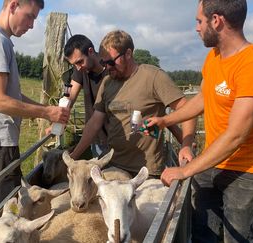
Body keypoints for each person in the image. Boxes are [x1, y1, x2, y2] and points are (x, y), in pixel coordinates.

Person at [147, 0, 253, 242]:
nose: (197, 28)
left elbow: (236, 135)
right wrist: (165, 120)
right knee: (202, 231)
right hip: (213, 161)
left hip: (248, 172)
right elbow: (203, 99)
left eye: (199, 21)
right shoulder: (214, 57)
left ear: (216, 20)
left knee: (236, 238)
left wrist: (185, 171)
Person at [0, 0, 70, 210]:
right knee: (5, 209)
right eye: (30, 16)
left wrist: (47, 114)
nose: (32, 25)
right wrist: (46, 111)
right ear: (13, 6)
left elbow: (12, 94)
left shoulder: (1, 41)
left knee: (10, 200)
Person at [70, 30, 196, 177]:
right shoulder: (107, 83)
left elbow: (188, 110)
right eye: (104, 62)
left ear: (128, 54)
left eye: (111, 62)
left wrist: (186, 145)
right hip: (113, 167)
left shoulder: (153, 77)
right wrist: (73, 157)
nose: (107, 67)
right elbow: (94, 123)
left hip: (145, 172)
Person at [63, 34, 108, 157]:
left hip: (116, 138)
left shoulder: (111, 70)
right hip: (95, 138)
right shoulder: (80, 70)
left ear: (91, 51)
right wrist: (58, 119)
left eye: (79, 62)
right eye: (74, 65)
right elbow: (69, 96)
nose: (78, 67)